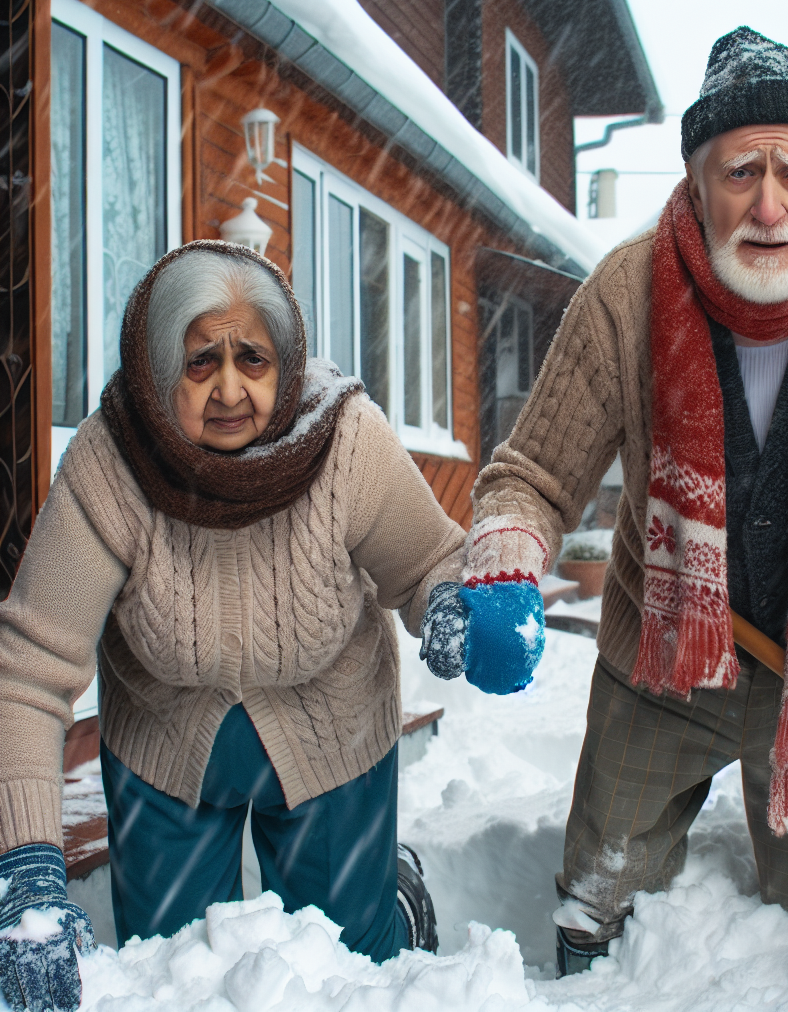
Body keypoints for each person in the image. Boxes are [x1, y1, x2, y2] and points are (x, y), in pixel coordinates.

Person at [421, 26, 788, 975]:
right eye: (740, 172)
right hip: (665, 656)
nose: (768, 205)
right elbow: (532, 473)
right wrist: (509, 565)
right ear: (696, 180)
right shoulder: (629, 292)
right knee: (597, 896)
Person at [0, 240, 465, 1011]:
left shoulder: (345, 438)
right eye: (198, 362)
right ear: (155, 367)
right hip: (166, 743)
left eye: (252, 359)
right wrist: (29, 866)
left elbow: (428, 562)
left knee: (352, 968)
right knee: (174, 973)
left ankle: (397, 902)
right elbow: (29, 669)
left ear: (284, 365)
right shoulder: (110, 459)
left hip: (332, 730)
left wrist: (450, 610)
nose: (228, 389)